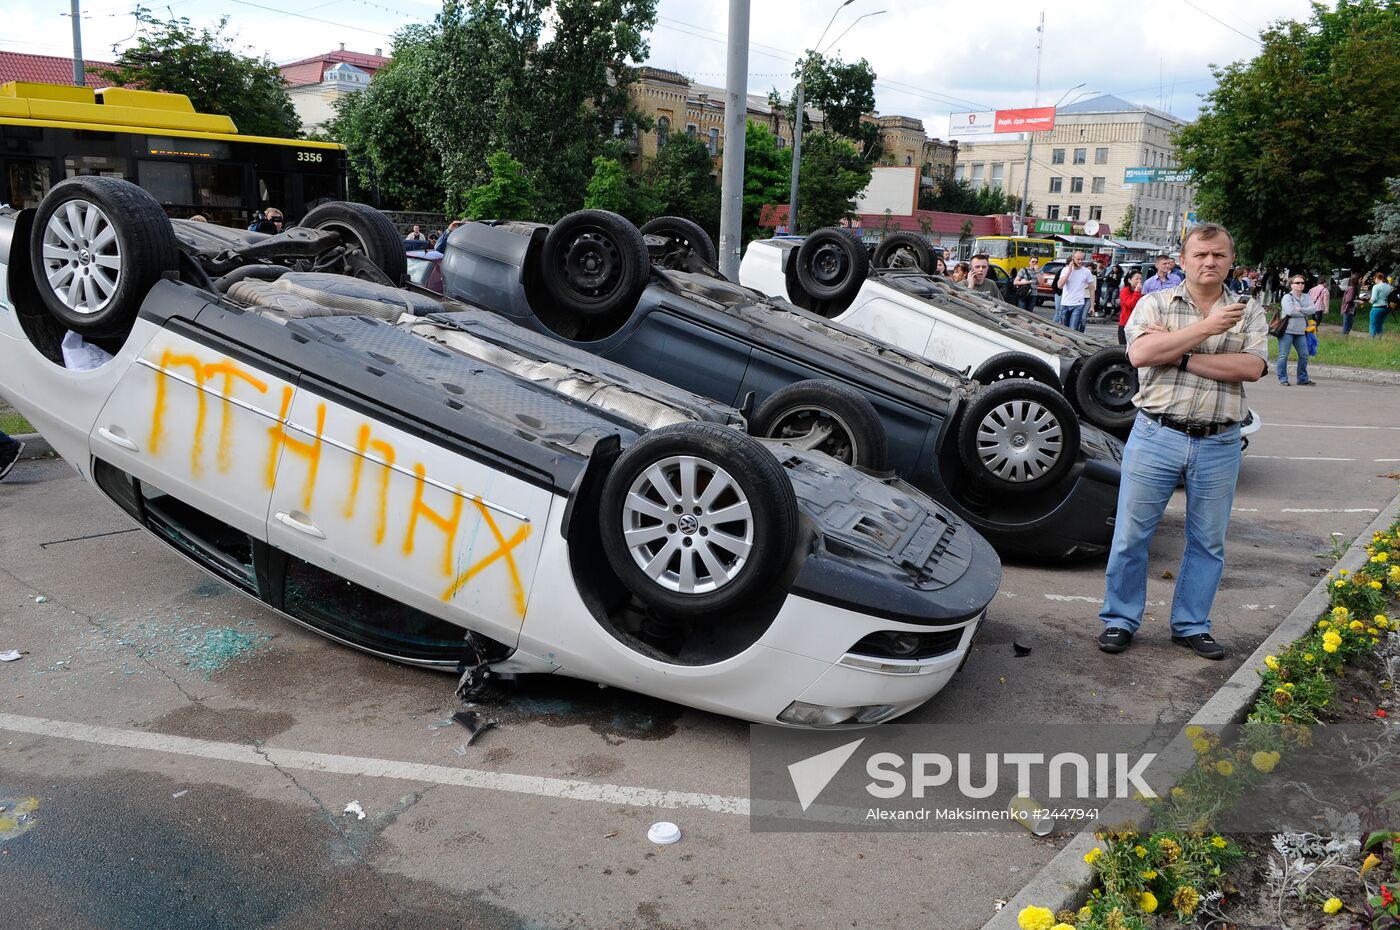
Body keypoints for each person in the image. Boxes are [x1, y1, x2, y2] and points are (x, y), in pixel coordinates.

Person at [1096, 222, 1268, 661]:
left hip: (1219, 442)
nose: (1210, 262)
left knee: (1208, 541)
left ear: (1231, 259)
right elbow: (1140, 356)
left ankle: (1192, 625)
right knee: (1132, 536)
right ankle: (1120, 620)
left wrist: (1182, 354)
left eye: (1219, 255)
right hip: (1156, 434)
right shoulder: (1155, 302)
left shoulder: (1248, 311)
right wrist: (1209, 329)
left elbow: (1250, 368)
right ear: (1184, 258)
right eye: (1201, 254)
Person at [1277, 274, 1315, 385]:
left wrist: (1300, 309)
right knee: (1284, 354)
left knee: (1304, 354)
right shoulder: (1287, 297)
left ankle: (1302, 378)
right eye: (1297, 283)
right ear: (1291, 285)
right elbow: (1290, 311)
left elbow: (1313, 309)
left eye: (1302, 283)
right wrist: (1304, 312)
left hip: (1301, 331)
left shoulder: (1306, 297)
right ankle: (1283, 378)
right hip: (1287, 330)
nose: (1300, 285)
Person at [1055, 251, 1094, 331]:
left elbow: (1092, 289)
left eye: (1082, 259)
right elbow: (1059, 285)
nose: (1080, 261)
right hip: (1065, 303)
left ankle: (1071, 342)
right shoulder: (1065, 270)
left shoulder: (1086, 271)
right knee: (1064, 329)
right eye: (1078, 259)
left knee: (1073, 329)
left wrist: (1092, 305)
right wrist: (1069, 271)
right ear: (1073, 259)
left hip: (1078, 304)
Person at [1117, 269, 1144, 345]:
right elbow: (1131, 305)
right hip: (1125, 324)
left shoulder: (1139, 292)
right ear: (1129, 280)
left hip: (1137, 324)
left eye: (1140, 279)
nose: (1139, 281)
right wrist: (1137, 292)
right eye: (1137, 279)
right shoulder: (1125, 291)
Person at [1370, 272, 1393, 337]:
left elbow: (1374, 298)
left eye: (1374, 278)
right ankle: (1380, 340)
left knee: (1373, 324)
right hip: (1386, 308)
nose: (1374, 280)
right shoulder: (1389, 286)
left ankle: (1372, 340)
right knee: (1380, 324)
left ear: (1377, 278)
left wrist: (1369, 300)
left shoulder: (1376, 286)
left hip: (1377, 308)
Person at [1340, 271, 1360, 336]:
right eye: (1360, 279)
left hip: (1351, 310)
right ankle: (1342, 340)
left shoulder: (1354, 288)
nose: (1361, 280)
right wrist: (1357, 301)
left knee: (1349, 326)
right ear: (1356, 280)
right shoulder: (1351, 289)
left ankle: (1345, 339)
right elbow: (1348, 300)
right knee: (1346, 327)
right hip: (1348, 310)